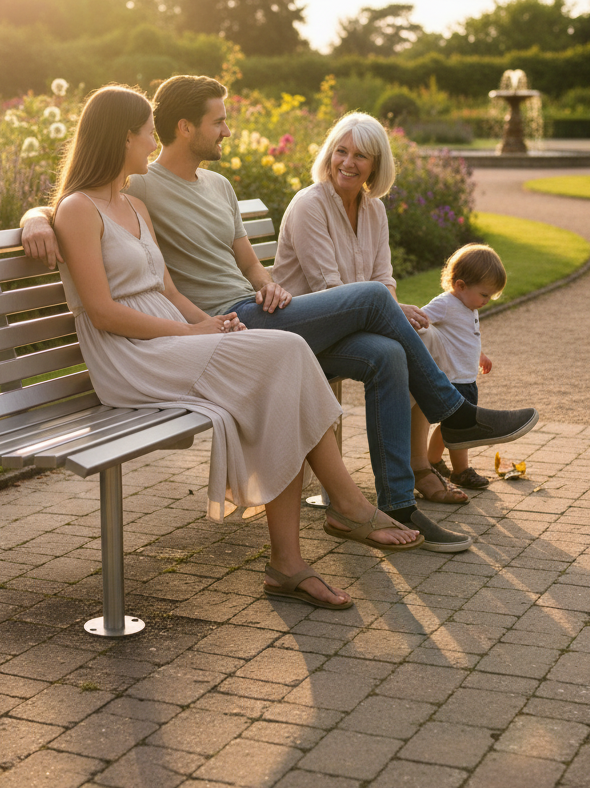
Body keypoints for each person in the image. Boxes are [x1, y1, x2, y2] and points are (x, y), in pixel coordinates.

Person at [22, 75, 539, 552]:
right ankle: (457, 415)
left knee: (385, 354)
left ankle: (396, 503)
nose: (229, 129)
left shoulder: (219, 187)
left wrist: (269, 284)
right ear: (186, 127)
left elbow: (249, 263)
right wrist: (35, 217)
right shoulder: (145, 187)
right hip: (221, 327)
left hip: (257, 310)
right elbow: (82, 199)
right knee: (376, 300)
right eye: (220, 121)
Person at [50, 84, 421, 611]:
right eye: (144, 136)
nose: (150, 146)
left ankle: (290, 563)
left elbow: (168, 290)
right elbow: (104, 312)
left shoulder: (133, 204)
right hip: (131, 354)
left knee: (283, 359)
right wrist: (192, 333)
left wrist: (217, 324)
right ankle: (346, 509)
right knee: (284, 358)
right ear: (121, 138)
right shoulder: (77, 210)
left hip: (176, 335)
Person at [273, 111, 470, 505]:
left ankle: (418, 468)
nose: (348, 163)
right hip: (307, 329)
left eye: (360, 156)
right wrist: (389, 312)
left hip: (356, 321)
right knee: (395, 349)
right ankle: (456, 418)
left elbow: (383, 279)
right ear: (329, 154)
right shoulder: (309, 204)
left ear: (376, 165)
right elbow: (328, 289)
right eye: (341, 151)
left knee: (424, 334)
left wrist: (397, 309)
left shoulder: (374, 210)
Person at [418, 244, 508, 491]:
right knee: (462, 428)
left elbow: (464, 336)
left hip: (466, 378)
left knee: (451, 425)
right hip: (452, 379)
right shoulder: (446, 303)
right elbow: (420, 319)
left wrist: (480, 354)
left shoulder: (468, 305)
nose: (486, 301)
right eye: (485, 295)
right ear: (460, 285)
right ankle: (461, 472)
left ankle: (433, 460)